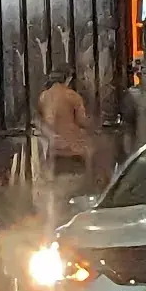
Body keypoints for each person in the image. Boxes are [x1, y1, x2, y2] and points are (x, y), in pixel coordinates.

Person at [36, 69, 93, 231]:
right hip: (74, 150)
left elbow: (40, 120)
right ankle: (72, 224)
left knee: (56, 193)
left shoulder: (44, 96)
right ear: (68, 78)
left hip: (54, 150)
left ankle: (55, 224)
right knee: (76, 192)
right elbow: (82, 120)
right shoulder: (72, 96)